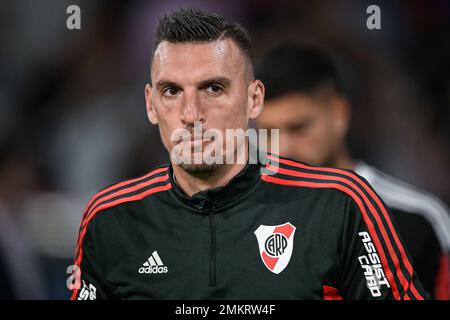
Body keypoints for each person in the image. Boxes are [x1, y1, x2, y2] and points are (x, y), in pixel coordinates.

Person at [70, 8, 428, 300]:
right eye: (171, 91)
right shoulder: (110, 220)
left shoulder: (340, 204)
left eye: (213, 88)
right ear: (150, 104)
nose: (191, 114)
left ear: (254, 99)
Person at [256, 43, 450, 299]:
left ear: (339, 114)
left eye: (298, 127)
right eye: (270, 132)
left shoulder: (418, 218)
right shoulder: (246, 215)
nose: (283, 148)